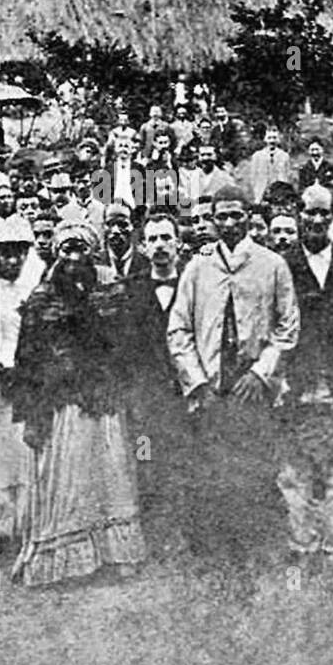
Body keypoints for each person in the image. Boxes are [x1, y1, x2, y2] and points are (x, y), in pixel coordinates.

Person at [167, 185, 300, 582]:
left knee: (256, 472)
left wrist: (262, 372)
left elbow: (288, 326)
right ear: (211, 220)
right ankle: (215, 557)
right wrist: (197, 382)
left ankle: (256, 552)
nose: (227, 223)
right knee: (212, 475)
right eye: (220, 216)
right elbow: (178, 330)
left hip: (253, 388)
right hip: (211, 391)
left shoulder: (272, 264)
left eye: (235, 215)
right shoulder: (197, 268)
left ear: (248, 217)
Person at [12, 220, 146, 586]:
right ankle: (67, 561)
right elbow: (28, 356)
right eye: (66, 250)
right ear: (57, 254)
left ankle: (117, 553)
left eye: (81, 249)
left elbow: (125, 344)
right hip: (63, 401)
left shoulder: (110, 290)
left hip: (103, 398)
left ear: (92, 252)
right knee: (68, 478)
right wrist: (31, 411)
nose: (74, 257)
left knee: (111, 475)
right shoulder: (42, 297)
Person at [276, 185, 333, 563]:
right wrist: (279, 377)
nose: (314, 220)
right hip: (294, 381)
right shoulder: (280, 264)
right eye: (308, 213)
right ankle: (301, 550)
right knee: (295, 475)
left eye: (322, 213)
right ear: (298, 215)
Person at [0, 215, 44, 553]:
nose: (11, 260)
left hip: (26, 378)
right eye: (4, 253)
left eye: (17, 253)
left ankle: (26, 524)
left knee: (23, 451)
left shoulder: (35, 286)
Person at [123, 211, 186, 540]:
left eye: (166, 238)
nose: (160, 245)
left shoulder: (193, 283)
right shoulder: (130, 290)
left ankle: (186, 532)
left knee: (183, 458)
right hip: (145, 400)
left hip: (184, 396)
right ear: (143, 247)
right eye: (153, 239)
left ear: (178, 243)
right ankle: (151, 534)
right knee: (145, 459)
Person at [247, 126, 293, 204]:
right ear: (265, 139)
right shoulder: (257, 156)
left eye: (274, 138)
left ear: (278, 140)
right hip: (261, 191)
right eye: (269, 138)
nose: (272, 141)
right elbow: (253, 176)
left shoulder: (284, 156)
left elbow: (287, 175)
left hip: (278, 192)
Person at [100, 200, 146, 278]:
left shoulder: (146, 265)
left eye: (122, 224)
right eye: (110, 224)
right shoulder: (94, 263)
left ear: (133, 226)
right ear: (103, 226)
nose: (115, 231)